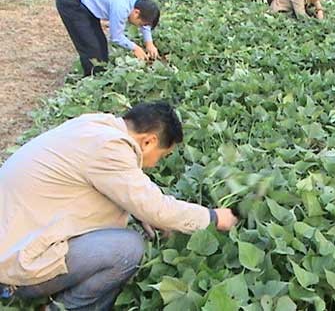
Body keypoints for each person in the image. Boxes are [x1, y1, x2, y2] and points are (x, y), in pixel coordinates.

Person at [0, 102, 238, 310]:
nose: (155, 165)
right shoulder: (109, 148)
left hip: (15, 241)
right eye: (161, 156)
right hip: (14, 266)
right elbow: (156, 207)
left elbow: (116, 190)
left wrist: (140, 210)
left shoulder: (94, 127)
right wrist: (214, 217)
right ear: (149, 141)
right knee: (127, 249)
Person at [55, 0, 161, 76]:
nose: (140, 26)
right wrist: (135, 48)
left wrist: (149, 43)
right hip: (71, 2)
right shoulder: (121, 8)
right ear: (137, 12)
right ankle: (91, 82)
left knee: (101, 44)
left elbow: (145, 23)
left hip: (85, 1)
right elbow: (116, 37)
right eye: (140, 24)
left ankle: (99, 74)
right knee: (91, 49)